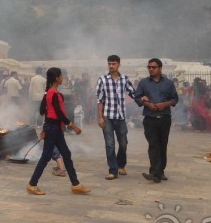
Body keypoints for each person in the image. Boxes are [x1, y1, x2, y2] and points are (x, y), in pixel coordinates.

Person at [26, 67, 90, 196]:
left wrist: (45, 128)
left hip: (53, 128)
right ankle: (32, 184)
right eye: (61, 76)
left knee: (66, 154)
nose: (62, 78)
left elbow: (44, 111)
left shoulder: (50, 93)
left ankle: (75, 184)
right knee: (47, 156)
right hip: (53, 129)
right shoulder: (53, 94)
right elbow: (59, 113)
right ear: (57, 78)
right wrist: (73, 126)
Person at [135, 58, 179, 183]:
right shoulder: (143, 83)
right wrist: (147, 104)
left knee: (162, 145)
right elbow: (137, 98)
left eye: (153, 67)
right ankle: (154, 173)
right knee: (153, 145)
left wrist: (164, 104)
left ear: (160, 69)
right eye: (149, 67)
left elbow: (175, 99)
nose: (151, 69)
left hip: (164, 118)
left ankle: (160, 171)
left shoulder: (168, 83)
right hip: (150, 119)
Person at [96, 55, 136, 180]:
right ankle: (113, 171)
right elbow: (100, 100)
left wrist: (143, 98)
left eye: (113, 64)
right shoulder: (102, 79)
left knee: (123, 143)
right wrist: (100, 117)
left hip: (120, 116)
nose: (111, 66)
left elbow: (133, 93)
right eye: (109, 64)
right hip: (107, 116)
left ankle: (121, 164)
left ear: (119, 64)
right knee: (110, 144)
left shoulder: (124, 79)